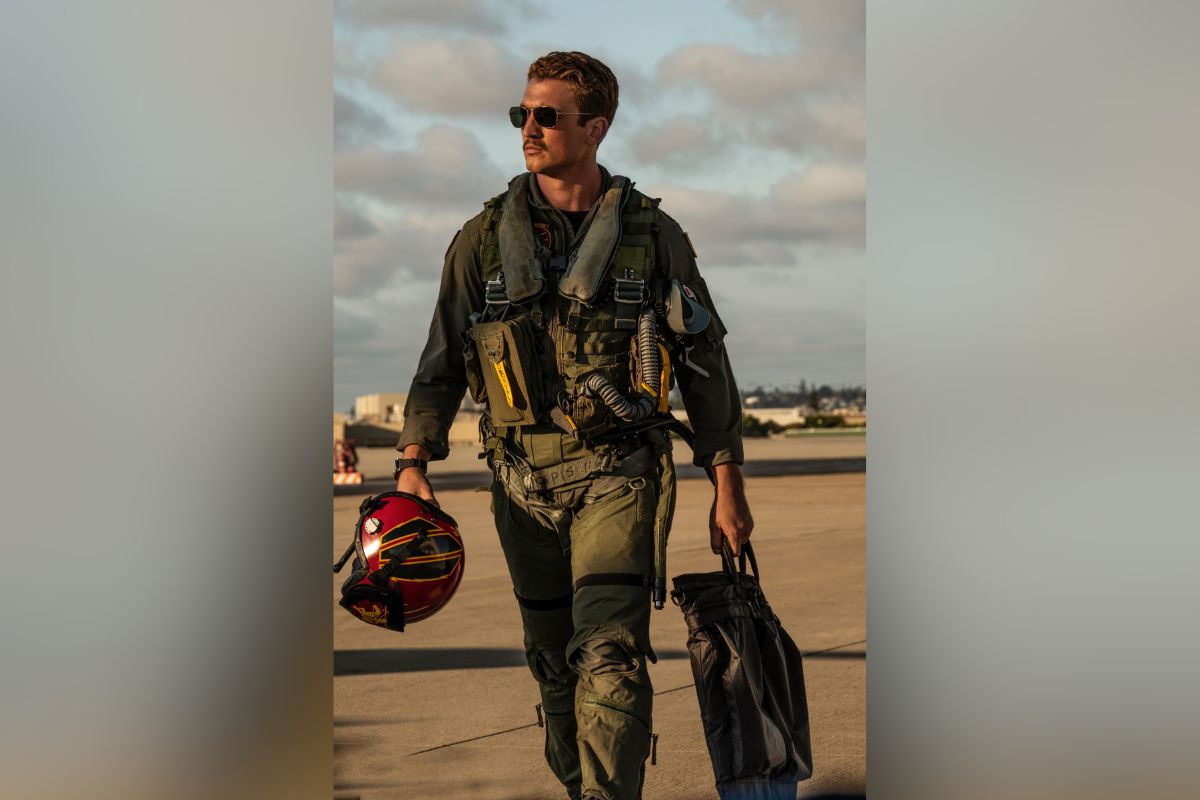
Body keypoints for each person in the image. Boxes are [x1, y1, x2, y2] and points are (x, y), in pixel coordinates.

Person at [394, 51, 753, 800]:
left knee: (610, 651)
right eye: (521, 114)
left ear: (596, 128)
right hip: (520, 481)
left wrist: (727, 482)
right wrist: (412, 463)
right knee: (553, 659)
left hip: (618, 476)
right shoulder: (481, 239)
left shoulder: (655, 235)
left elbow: (705, 365)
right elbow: (442, 358)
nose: (529, 128)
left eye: (546, 116)